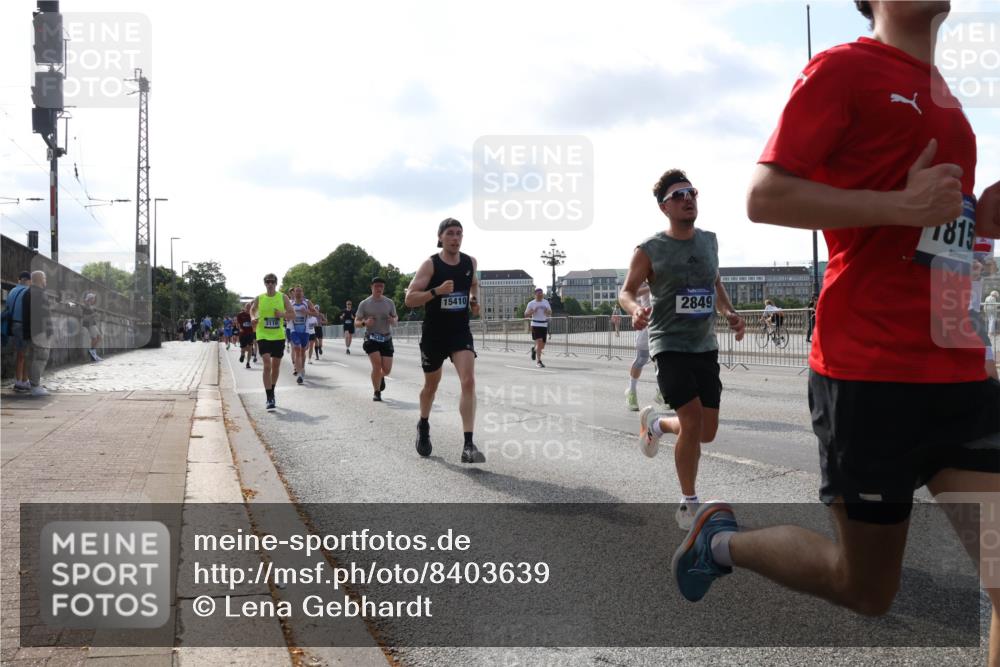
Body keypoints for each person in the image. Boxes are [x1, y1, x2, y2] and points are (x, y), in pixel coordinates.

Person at [676, 6, 1000, 665]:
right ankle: (720, 542)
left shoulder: (949, 101)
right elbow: (765, 196)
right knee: (866, 588)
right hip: (868, 373)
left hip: (959, 372)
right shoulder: (845, 69)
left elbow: (937, 237)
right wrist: (899, 205)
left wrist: (981, 219)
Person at [618, 168, 745, 529]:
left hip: (704, 345)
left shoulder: (709, 242)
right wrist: (634, 310)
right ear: (664, 207)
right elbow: (626, 291)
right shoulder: (650, 249)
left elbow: (715, 282)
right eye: (679, 195)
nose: (688, 199)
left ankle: (656, 424)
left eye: (692, 192)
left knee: (706, 432)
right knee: (691, 421)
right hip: (669, 344)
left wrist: (729, 312)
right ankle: (689, 503)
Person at [405, 217, 485, 463]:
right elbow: (410, 298)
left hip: (460, 331)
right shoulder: (431, 265)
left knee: (468, 381)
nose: (455, 238)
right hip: (434, 334)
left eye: (459, 233)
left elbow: (474, 284)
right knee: (431, 386)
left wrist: (474, 301)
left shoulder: (470, 262)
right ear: (440, 237)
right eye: (450, 233)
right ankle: (424, 424)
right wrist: (436, 291)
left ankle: (468, 445)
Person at [249, 273, 294, 410]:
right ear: (265, 283)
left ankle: (272, 390)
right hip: (263, 334)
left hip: (278, 336)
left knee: (275, 367)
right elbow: (252, 309)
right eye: (267, 282)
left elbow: (292, 314)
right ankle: (269, 397)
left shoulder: (283, 297)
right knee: (267, 365)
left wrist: (282, 315)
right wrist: (253, 318)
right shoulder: (260, 298)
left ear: (276, 283)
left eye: (272, 282)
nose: (270, 284)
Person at [623, 282, 664, 411]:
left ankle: (663, 393)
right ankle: (631, 391)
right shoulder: (644, 275)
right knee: (642, 359)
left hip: (663, 323)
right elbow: (632, 293)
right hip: (646, 322)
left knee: (663, 358)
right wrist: (651, 286)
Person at [356, 277, 398, 401]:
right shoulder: (364, 303)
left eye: (381, 286)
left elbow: (395, 317)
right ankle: (377, 392)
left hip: (386, 338)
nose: (379, 288)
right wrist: (364, 323)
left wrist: (393, 320)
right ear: (371, 287)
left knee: (387, 370)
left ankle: (380, 377)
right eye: (376, 286)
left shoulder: (389, 302)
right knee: (377, 365)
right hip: (372, 338)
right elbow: (356, 322)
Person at [20, 271, 54, 397]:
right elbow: (45, 315)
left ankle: (33, 384)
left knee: (32, 358)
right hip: (40, 332)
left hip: (29, 331)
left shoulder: (27, 293)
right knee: (40, 358)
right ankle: (35, 386)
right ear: (39, 279)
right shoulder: (40, 293)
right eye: (44, 278)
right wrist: (49, 330)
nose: (45, 280)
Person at [6, 271, 32, 391]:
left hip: (14, 324)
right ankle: (21, 381)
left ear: (19, 279)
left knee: (20, 353)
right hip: (24, 325)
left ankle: (21, 380)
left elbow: (8, 307)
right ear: (28, 280)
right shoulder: (28, 291)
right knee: (25, 354)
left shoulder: (12, 291)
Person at [289, 286, 318, 384]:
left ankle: (302, 368)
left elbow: (316, 313)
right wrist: (288, 317)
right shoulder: (290, 303)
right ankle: (300, 375)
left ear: (302, 293)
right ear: (294, 293)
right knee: (297, 350)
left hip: (305, 331)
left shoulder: (307, 302)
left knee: (302, 352)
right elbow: (286, 315)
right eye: (296, 291)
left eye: (300, 291)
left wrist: (307, 312)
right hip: (294, 330)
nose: (298, 293)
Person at [524, 287, 552, 368]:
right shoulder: (531, 303)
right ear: (535, 295)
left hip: (544, 324)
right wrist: (533, 311)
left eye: (541, 293)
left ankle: (534, 349)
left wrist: (547, 311)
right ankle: (539, 362)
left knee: (542, 346)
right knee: (539, 342)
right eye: (539, 294)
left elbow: (550, 312)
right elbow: (526, 315)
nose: (540, 295)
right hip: (535, 324)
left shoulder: (545, 302)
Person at [80, 292, 102, 362]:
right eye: (93, 298)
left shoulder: (91, 306)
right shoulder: (85, 306)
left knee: (99, 337)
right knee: (95, 339)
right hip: (89, 324)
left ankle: (93, 354)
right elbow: (84, 318)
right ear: (90, 299)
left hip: (93, 323)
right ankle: (92, 355)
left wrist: (96, 315)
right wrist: (93, 315)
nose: (94, 300)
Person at [236, 303, 255, 369]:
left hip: (250, 334)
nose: (248, 308)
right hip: (243, 334)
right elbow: (237, 323)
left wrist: (254, 326)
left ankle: (248, 363)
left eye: (249, 307)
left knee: (250, 348)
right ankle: (242, 355)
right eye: (247, 307)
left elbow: (255, 323)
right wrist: (240, 328)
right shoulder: (240, 315)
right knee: (243, 347)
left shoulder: (253, 315)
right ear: (245, 307)